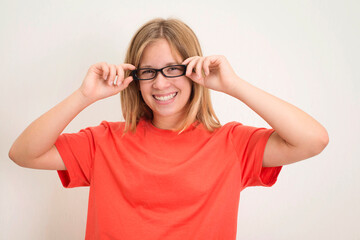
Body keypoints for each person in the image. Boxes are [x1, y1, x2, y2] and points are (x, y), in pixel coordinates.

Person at [9, 17, 329, 239]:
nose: (160, 83)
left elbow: (313, 140)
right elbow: (23, 153)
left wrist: (234, 85)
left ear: (193, 70)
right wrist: (84, 95)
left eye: (173, 69)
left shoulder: (231, 143)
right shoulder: (105, 140)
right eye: (148, 71)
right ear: (136, 79)